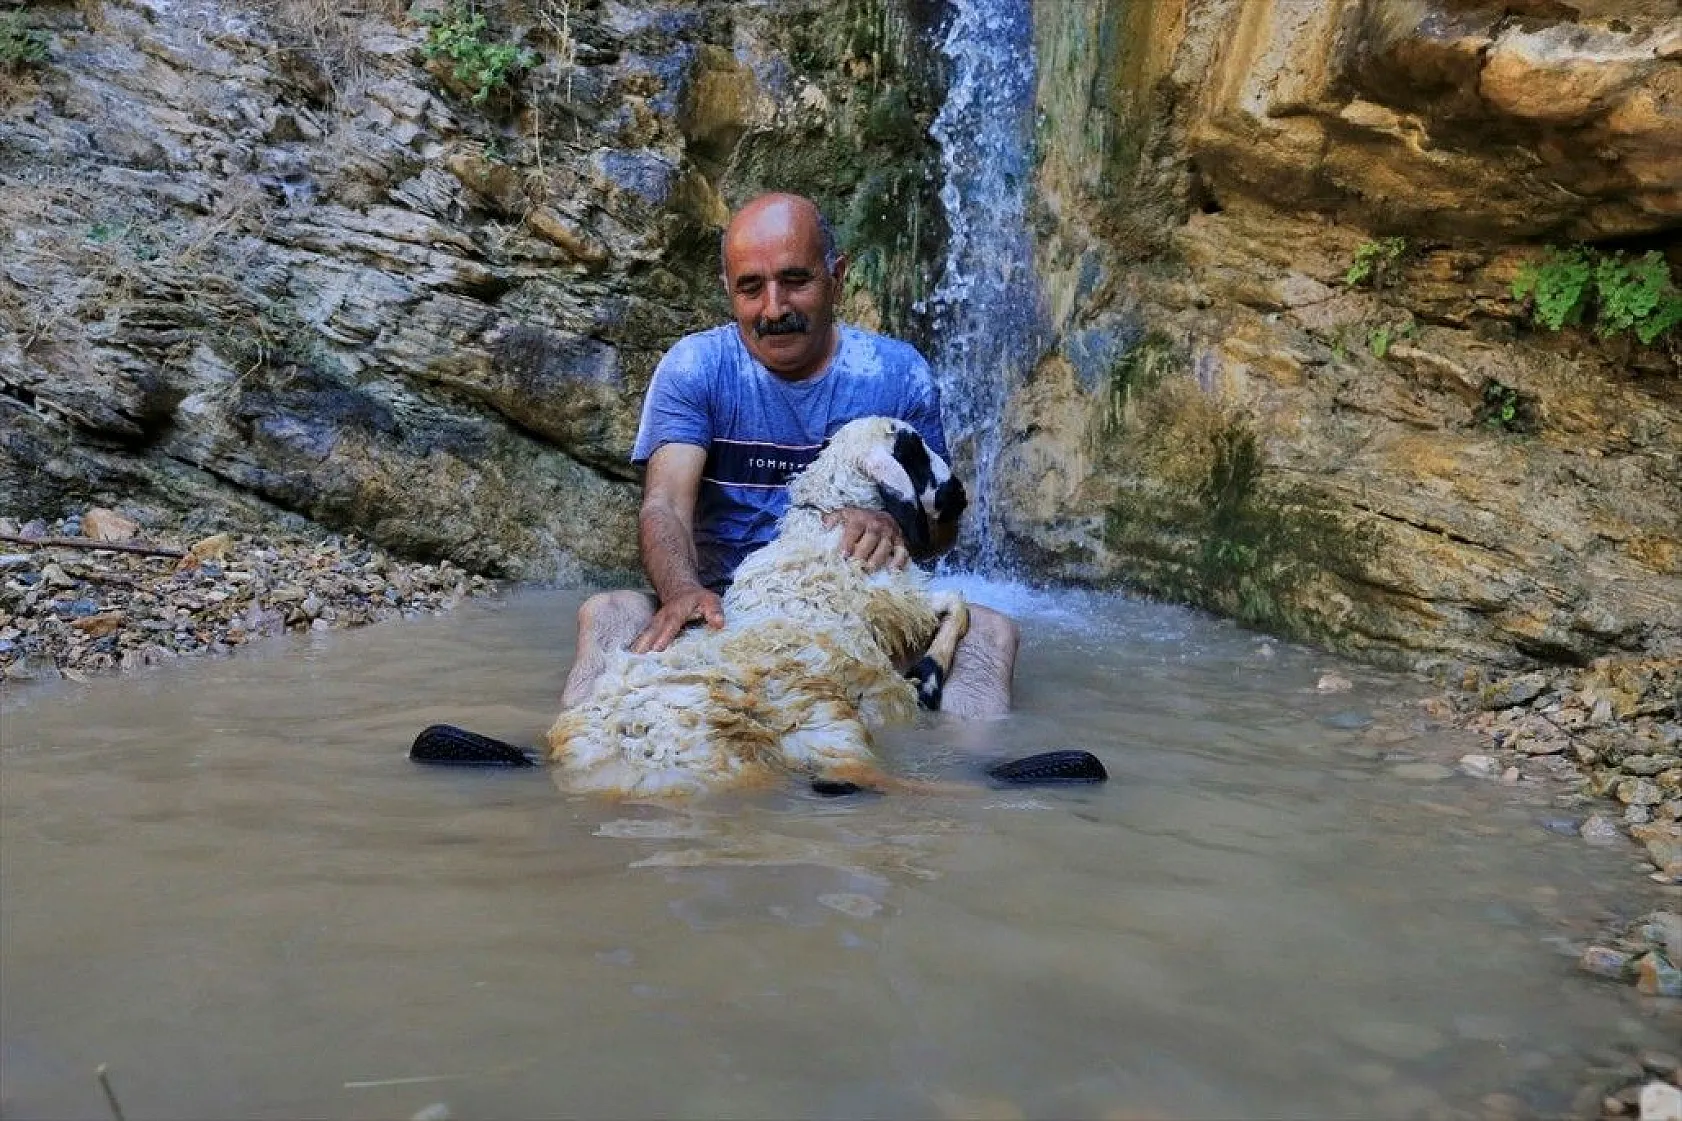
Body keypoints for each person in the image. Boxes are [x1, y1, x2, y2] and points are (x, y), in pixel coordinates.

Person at [560, 192, 1018, 719]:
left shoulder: (897, 374)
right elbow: (664, 505)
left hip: (853, 619)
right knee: (610, 611)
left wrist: (895, 528)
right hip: (719, 613)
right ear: (727, 291)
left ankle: (971, 782)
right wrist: (682, 590)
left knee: (988, 631)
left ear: (837, 277)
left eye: (795, 280)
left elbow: (939, 535)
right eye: (750, 288)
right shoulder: (697, 368)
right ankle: (564, 753)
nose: (774, 309)